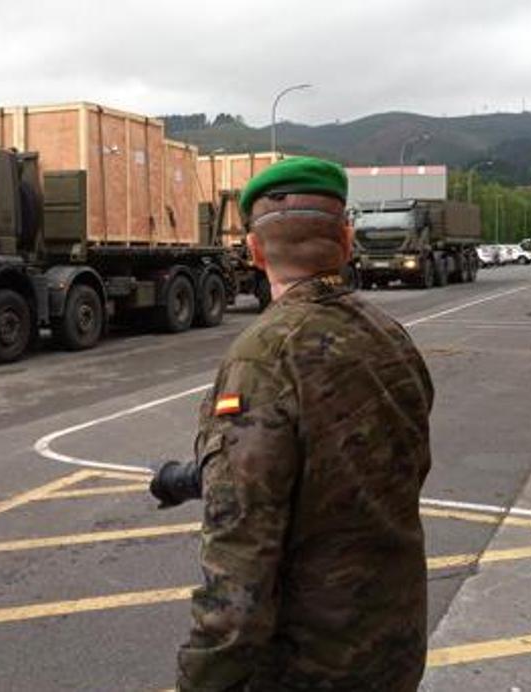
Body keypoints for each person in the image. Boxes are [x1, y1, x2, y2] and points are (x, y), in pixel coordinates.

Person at [148, 157, 435, 691]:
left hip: (310, 664)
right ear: (347, 241)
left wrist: (206, 679)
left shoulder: (263, 357)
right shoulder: (390, 337)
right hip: (394, 644)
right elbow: (395, 468)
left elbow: (240, 548)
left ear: (255, 252)